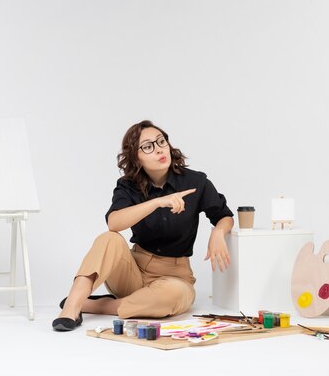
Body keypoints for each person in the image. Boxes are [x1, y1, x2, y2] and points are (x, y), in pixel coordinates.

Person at [52, 120, 234, 331]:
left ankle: (97, 305)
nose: (159, 149)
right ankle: (72, 306)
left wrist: (219, 232)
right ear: (135, 156)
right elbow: (114, 223)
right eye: (148, 147)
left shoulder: (195, 181)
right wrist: (157, 202)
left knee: (174, 296)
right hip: (132, 272)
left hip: (175, 276)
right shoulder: (128, 186)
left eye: (161, 141)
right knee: (108, 239)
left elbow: (224, 215)